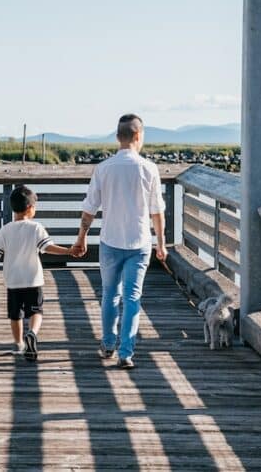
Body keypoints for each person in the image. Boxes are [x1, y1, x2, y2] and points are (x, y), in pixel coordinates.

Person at [72, 114, 168, 370]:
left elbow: (89, 208)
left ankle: (108, 344)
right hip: (139, 243)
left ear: (118, 137)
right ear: (138, 136)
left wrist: (81, 237)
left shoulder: (103, 168)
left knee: (109, 296)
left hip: (110, 241)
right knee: (132, 298)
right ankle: (126, 353)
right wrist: (162, 243)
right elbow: (156, 211)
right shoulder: (149, 168)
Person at [0, 186, 74, 361]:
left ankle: (19, 343)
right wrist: (68, 251)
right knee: (36, 311)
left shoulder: (6, 230)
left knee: (15, 314)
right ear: (30, 208)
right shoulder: (36, 228)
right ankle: (32, 333)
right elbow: (48, 247)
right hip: (33, 279)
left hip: (13, 280)